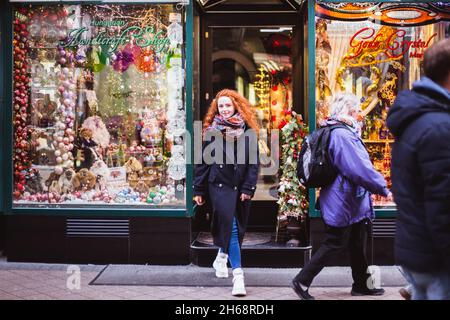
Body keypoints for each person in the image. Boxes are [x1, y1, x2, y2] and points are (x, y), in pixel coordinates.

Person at [292, 93, 390, 300]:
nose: (358, 114)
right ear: (348, 111)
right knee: (334, 242)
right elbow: (359, 168)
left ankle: (361, 285)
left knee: (356, 240)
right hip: (343, 199)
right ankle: (302, 280)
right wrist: (383, 187)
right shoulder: (343, 135)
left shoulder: (339, 130)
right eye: (355, 110)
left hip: (347, 198)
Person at [386, 38, 450, 300]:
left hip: (417, 249)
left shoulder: (417, 118)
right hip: (436, 256)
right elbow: (443, 203)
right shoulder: (439, 126)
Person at [193, 89, 259, 297]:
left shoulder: (248, 132)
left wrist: (248, 188)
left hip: (240, 187)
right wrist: (199, 189)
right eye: (221, 106)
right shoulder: (212, 131)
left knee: (237, 228)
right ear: (217, 109)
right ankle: (238, 276)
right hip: (218, 186)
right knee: (230, 227)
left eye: (228, 105)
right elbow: (203, 162)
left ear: (236, 106)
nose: (224, 109)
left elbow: (253, 164)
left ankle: (221, 255)